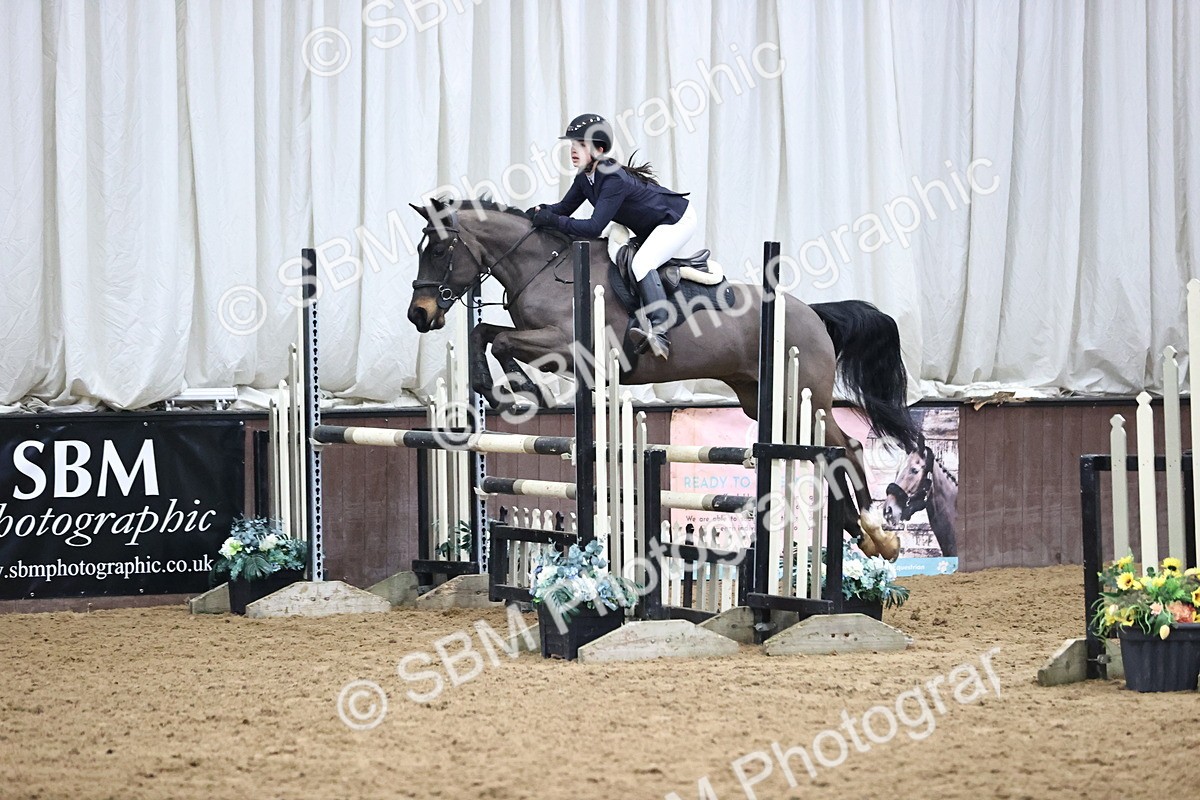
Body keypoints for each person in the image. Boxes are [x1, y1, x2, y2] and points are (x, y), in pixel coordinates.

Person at [528, 114, 696, 359]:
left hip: (677, 220)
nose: (573, 150)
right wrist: (536, 212)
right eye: (572, 145)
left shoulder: (612, 178)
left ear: (600, 149)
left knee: (642, 263)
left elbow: (594, 227)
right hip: (652, 225)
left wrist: (551, 219)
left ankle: (660, 329)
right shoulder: (586, 177)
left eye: (581, 145)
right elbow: (563, 209)